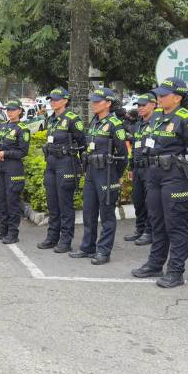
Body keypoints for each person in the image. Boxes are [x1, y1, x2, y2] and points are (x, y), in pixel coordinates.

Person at [130, 78, 188, 287]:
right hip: (154, 174)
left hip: (176, 176)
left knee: (176, 224)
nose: (159, 98)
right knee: (157, 221)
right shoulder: (157, 117)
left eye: (163, 95)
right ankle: (155, 264)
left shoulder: (186, 118)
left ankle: (175, 271)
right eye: (158, 95)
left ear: (178, 97)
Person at [74, 88, 127, 265]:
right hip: (91, 172)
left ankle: (104, 251)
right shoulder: (94, 122)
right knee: (89, 211)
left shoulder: (115, 124)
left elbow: (123, 155)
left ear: (108, 103)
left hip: (107, 173)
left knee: (107, 215)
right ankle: (88, 247)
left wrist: (116, 176)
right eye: (93, 101)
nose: (93, 104)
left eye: (97, 101)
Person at [37, 87, 85, 252]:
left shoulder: (72, 119)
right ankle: (52, 237)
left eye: (56, 99)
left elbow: (82, 144)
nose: (53, 102)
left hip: (66, 163)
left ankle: (65, 240)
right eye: (51, 99)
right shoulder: (51, 119)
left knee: (65, 204)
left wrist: (82, 167)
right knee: (52, 203)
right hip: (51, 163)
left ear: (65, 100)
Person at [0, 100, 30, 244]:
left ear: (20, 110)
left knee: (11, 201)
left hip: (13, 168)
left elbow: (23, 151)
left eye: (13, 110)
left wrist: (5, 153)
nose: (10, 112)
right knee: (1, 200)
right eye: (8, 109)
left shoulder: (22, 129)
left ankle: (13, 233)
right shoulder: (3, 126)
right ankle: (3, 229)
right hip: (1, 167)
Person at [123, 93, 156, 246]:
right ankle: (140, 228)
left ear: (153, 104)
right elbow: (135, 147)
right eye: (139, 105)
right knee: (138, 200)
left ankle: (150, 231)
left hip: (151, 168)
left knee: (151, 202)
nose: (140, 108)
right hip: (138, 168)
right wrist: (131, 166)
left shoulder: (158, 123)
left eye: (144, 105)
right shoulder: (138, 124)